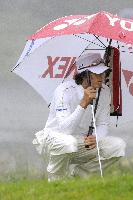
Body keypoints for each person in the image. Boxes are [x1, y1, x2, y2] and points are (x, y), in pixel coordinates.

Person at [32, 53, 126, 182]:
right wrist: (83, 103)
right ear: (84, 75)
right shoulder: (64, 90)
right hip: (53, 141)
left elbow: (103, 124)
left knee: (118, 146)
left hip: (81, 143)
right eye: (96, 74)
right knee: (67, 142)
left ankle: (79, 175)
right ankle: (56, 182)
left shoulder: (104, 91)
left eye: (103, 73)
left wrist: (96, 138)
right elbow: (65, 130)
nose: (102, 77)